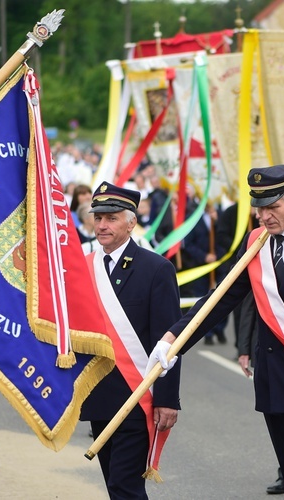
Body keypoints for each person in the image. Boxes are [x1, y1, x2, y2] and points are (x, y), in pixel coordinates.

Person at [148, 164, 284, 499]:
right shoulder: (256, 243)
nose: (264, 216)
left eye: (272, 207)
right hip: (273, 381)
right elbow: (220, 299)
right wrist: (174, 338)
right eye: (259, 208)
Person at [80, 182, 182, 500]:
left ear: (131, 222)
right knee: (115, 484)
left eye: (110, 218)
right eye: (97, 218)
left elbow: (169, 341)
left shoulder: (156, 269)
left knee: (126, 487)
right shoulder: (84, 269)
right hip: (98, 396)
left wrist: (167, 399)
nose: (101, 225)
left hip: (137, 398)